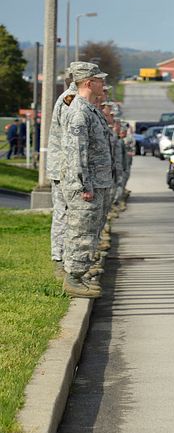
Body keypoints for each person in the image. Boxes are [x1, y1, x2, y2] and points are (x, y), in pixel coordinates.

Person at [59, 62, 112, 298]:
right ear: (89, 83)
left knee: (89, 230)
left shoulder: (89, 109)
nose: (103, 84)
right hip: (85, 185)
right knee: (80, 231)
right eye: (100, 80)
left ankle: (80, 275)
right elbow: (76, 153)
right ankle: (73, 278)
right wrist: (84, 185)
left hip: (96, 182)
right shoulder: (79, 112)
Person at [49, 66, 83, 280]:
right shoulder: (69, 99)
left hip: (66, 167)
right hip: (62, 168)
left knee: (69, 215)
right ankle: (59, 260)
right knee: (62, 215)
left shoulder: (76, 98)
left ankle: (67, 259)